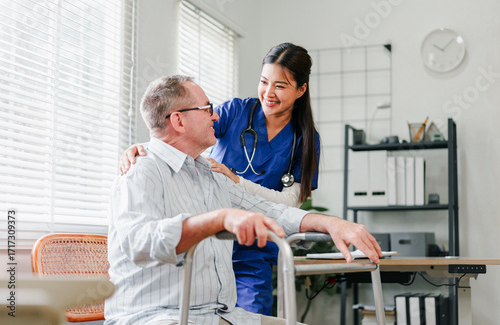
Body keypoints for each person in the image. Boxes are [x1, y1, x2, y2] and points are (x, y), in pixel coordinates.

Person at [105, 75, 382, 325]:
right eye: (206, 109)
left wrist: (331, 223)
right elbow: (139, 242)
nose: (215, 116)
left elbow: (270, 210)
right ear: (178, 120)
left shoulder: (210, 174)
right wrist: (218, 219)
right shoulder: (140, 171)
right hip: (158, 317)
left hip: (219, 315)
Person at [119, 43, 321, 316]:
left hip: (251, 245)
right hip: (206, 238)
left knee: (250, 310)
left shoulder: (305, 140)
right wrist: (144, 148)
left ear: (301, 90)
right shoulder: (236, 112)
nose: (268, 93)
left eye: (281, 86)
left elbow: (285, 204)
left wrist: (236, 181)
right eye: (264, 82)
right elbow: (178, 131)